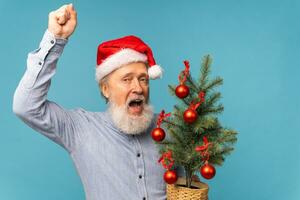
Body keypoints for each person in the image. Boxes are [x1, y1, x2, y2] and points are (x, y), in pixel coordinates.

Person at [13, 3, 166, 200]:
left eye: (143, 79)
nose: (138, 88)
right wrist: (56, 39)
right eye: (126, 79)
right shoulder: (80, 128)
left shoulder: (169, 129)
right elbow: (25, 107)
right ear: (105, 89)